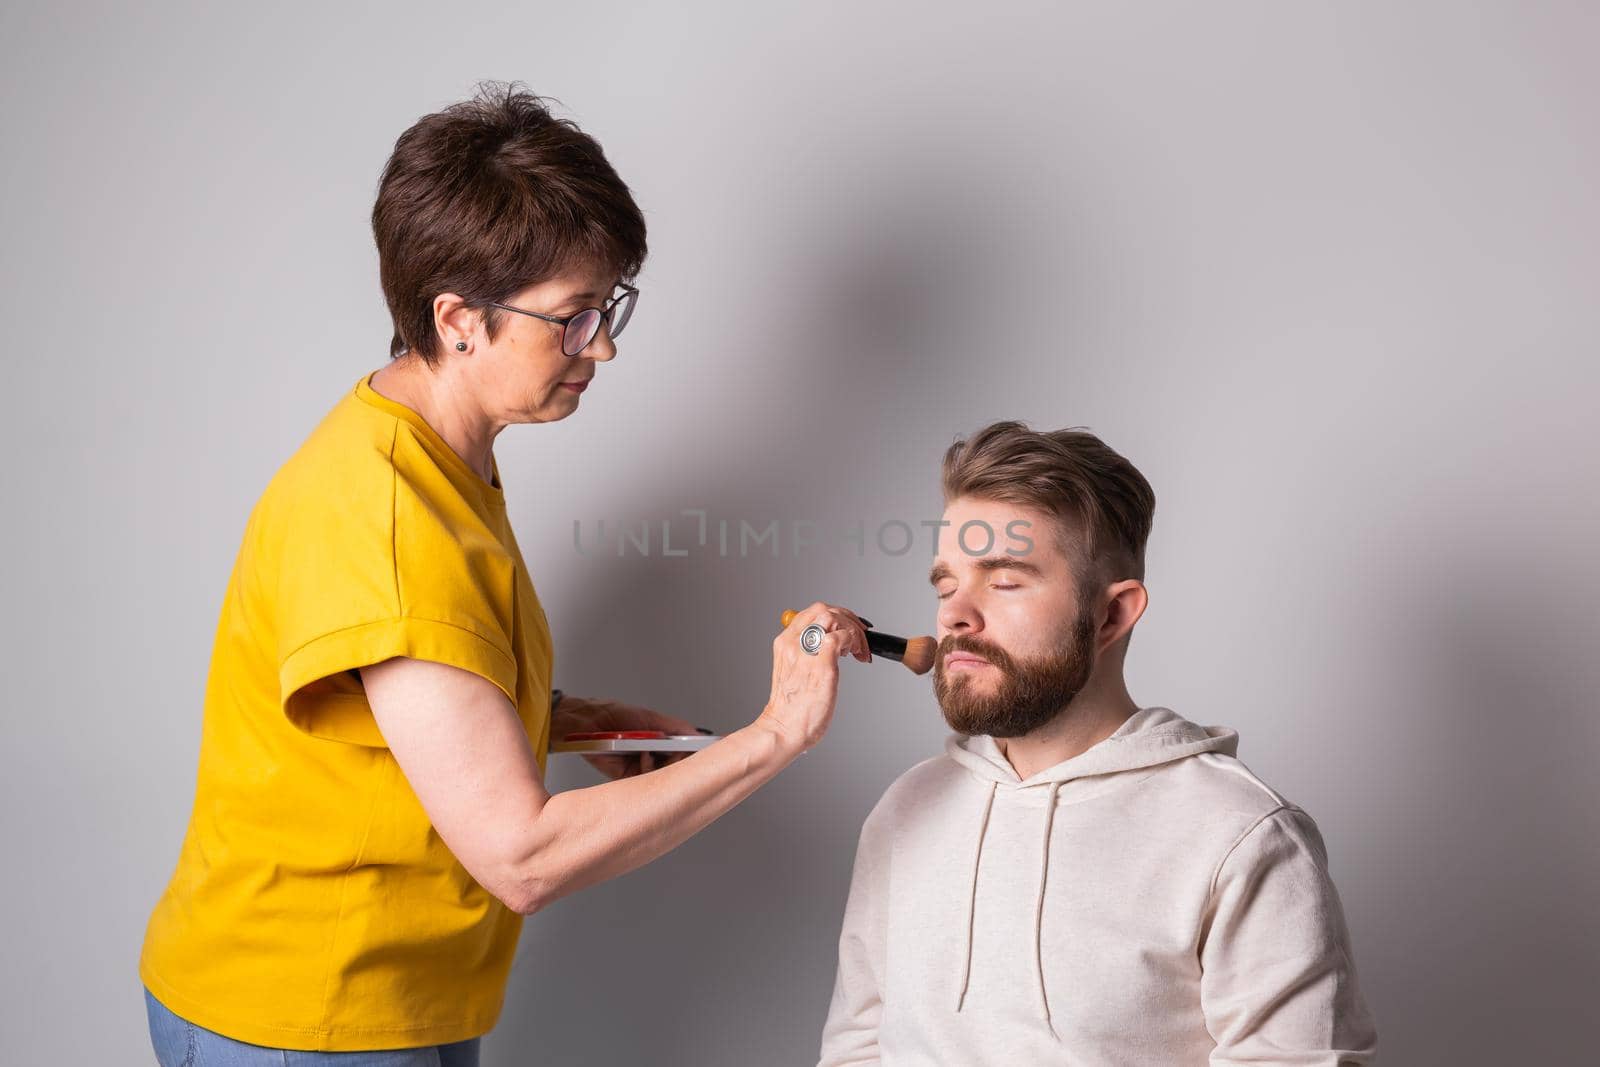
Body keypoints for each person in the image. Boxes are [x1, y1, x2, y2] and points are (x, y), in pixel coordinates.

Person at [138, 82, 871, 1065]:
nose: (601, 345)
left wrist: (564, 715)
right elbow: (521, 855)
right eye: (571, 317)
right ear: (459, 321)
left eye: (607, 307)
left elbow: (413, 683)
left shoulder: (436, 453)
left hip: (401, 995)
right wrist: (775, 734)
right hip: (303, 1015)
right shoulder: (387, 517)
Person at [818, 421, 1377, 1065]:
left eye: (1003, 581)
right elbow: (859, 1044)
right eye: (945, 585)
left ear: (1111, 614)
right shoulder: (905, 809)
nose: (953, 615)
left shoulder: (1241, 834)